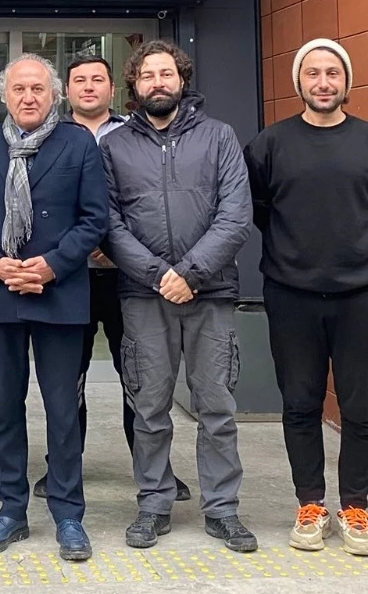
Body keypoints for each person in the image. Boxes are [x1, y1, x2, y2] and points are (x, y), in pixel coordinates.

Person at [245, 38, 368, 557]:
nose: (323, 82)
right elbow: (258, 208)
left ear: (346, 82)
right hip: (291, 295)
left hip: (363, 295)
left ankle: (355, 505)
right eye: (313, 73)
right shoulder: (269, 145)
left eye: (332, 73)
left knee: (361, 407)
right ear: (299, 82)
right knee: (300, 403)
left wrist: (354, 250)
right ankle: (310, 504)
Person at [101, 40, 256, 553]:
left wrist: (189, 273)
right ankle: (153, 503)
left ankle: (223, 509)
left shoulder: (219, 137)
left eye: (166, 73)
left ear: (182, 79)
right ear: (135, 85)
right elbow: (109, 223)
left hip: (210, 293)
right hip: (144, 296)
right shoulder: (115, 146)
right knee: (148, 408)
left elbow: (236, 216)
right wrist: (157, 274)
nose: (158, 82)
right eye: (147, 75)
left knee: (217, 407)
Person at [0, 54, 108, 563]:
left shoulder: (78, 143)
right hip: (1, 293)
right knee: (4, 407)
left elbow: (94, 218)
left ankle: (68, 514)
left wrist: (52, 266)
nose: (28, 97)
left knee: (62, 410)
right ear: (5, 95)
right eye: (18, 88)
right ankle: (10, 510)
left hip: (58, 293)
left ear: (54, 95)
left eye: (37, 89)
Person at [33, 54, 190, 504]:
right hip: (70, 278)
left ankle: (154, 470)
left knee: (139, 379)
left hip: (129, 277)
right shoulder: (48, 137)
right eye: (79, 80)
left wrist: (118, 246)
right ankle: (63, 468)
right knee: (68, 381)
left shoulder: (136, 134)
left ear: (113, 88)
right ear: (66, 90)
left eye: (97, 79)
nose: (88, 87)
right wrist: (76, 247)